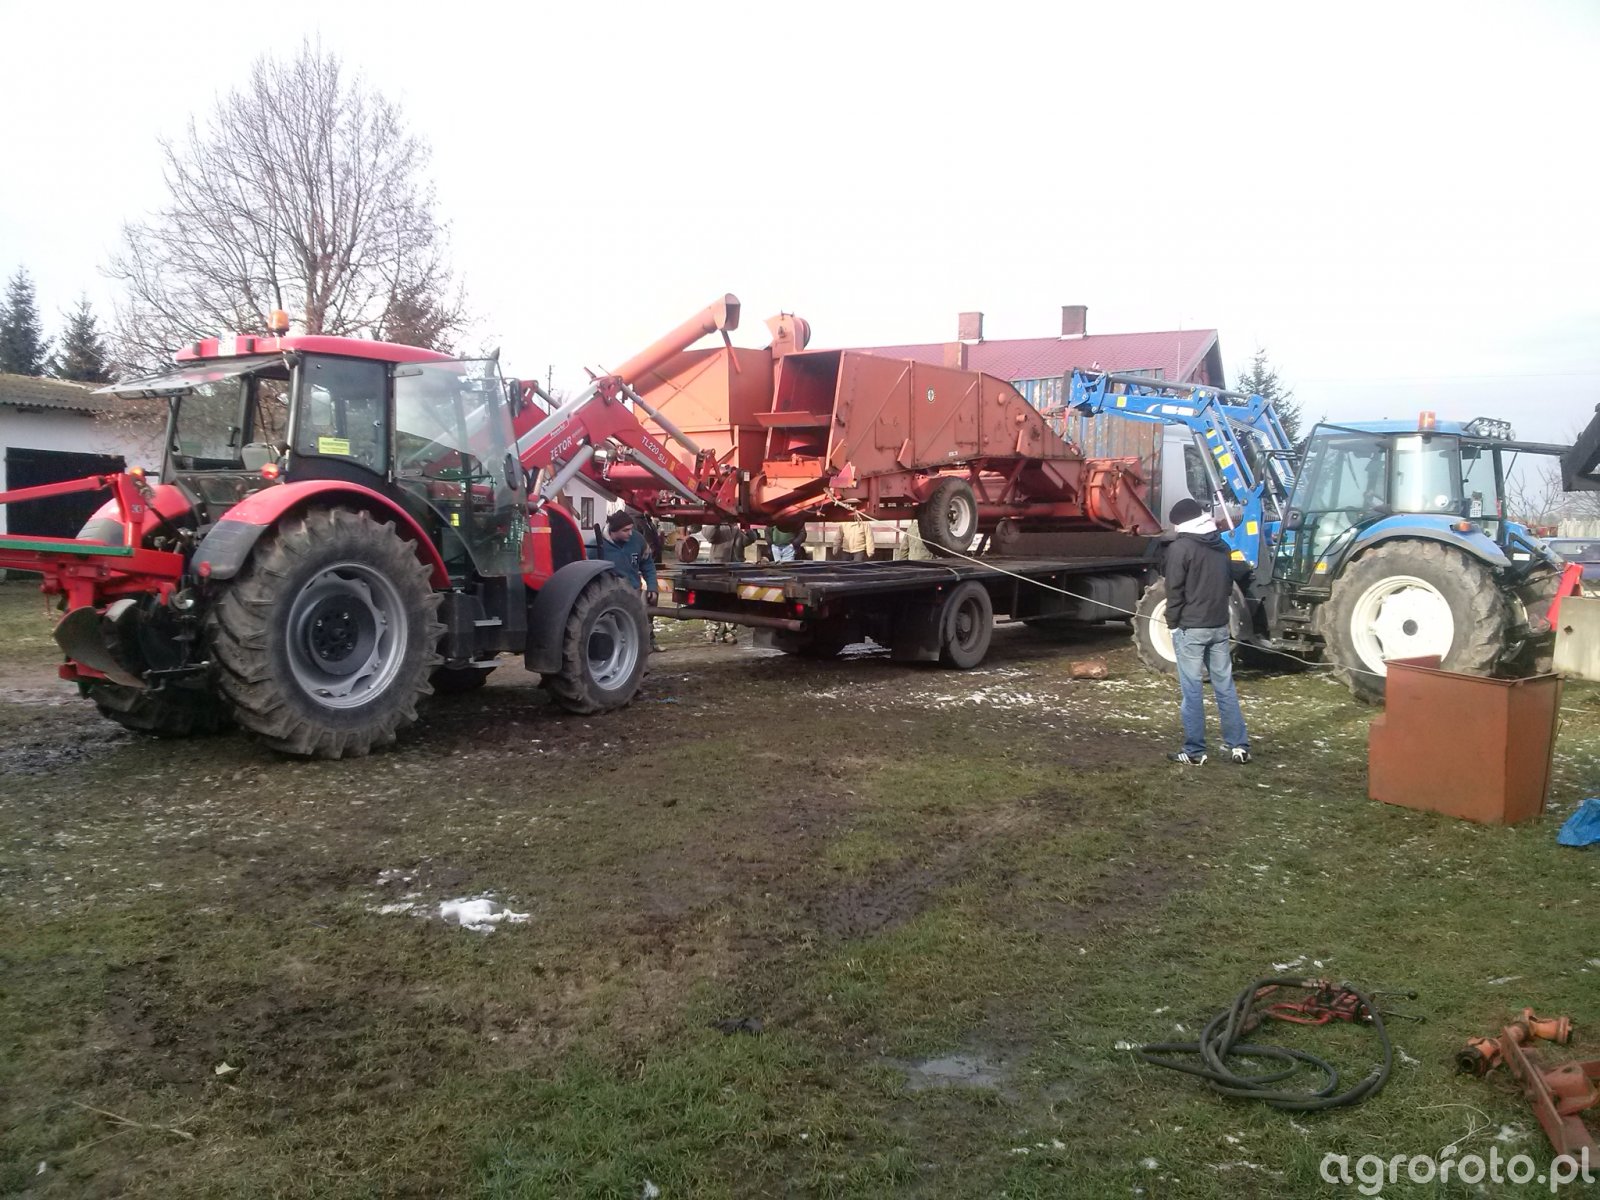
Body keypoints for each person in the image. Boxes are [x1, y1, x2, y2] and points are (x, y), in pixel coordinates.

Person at [1161, 498, 1250, 765]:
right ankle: (1239, 746)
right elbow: (1228, 584)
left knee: (1192, 691)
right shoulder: (1221, 545)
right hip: (1219, 625)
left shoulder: (1180, 548)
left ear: (1181, 523)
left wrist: (1172, 623)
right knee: (1225, 688)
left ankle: (1194, 751)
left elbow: (1174, 591)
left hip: (1191, 628)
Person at [597, 510, 662, 652]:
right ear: (613, 531)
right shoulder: (596, 545)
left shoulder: (638, 540)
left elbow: (648, 565)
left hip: (633, 593)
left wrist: (652, 587)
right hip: (609, 596)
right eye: (625, 530)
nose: (630, 533)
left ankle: (641, 652)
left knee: (635, 629)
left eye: (631, 529)